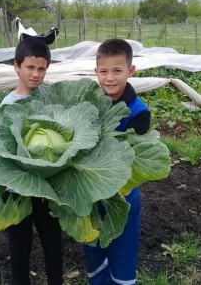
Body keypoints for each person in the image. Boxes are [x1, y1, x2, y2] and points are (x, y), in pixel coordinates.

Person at [84, 38, 151, 285]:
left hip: (121, 195)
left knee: (121, 252)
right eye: (103, 72)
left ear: (130, 71)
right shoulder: (90, 102)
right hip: (89, 192)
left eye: (117, 71)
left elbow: (133, 162)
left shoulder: (139, 112)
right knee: (93, 247)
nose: (109, 78)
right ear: (96, 72)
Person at [0, 37, 64, 285]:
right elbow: (1, 148)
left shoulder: (51, 98)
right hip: (18, 189)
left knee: (53, 246)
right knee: (19, 248)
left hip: (49, 188)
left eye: (42, 69)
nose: (36, 74)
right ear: (17, 66)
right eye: (30, 67)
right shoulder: (7, 104)